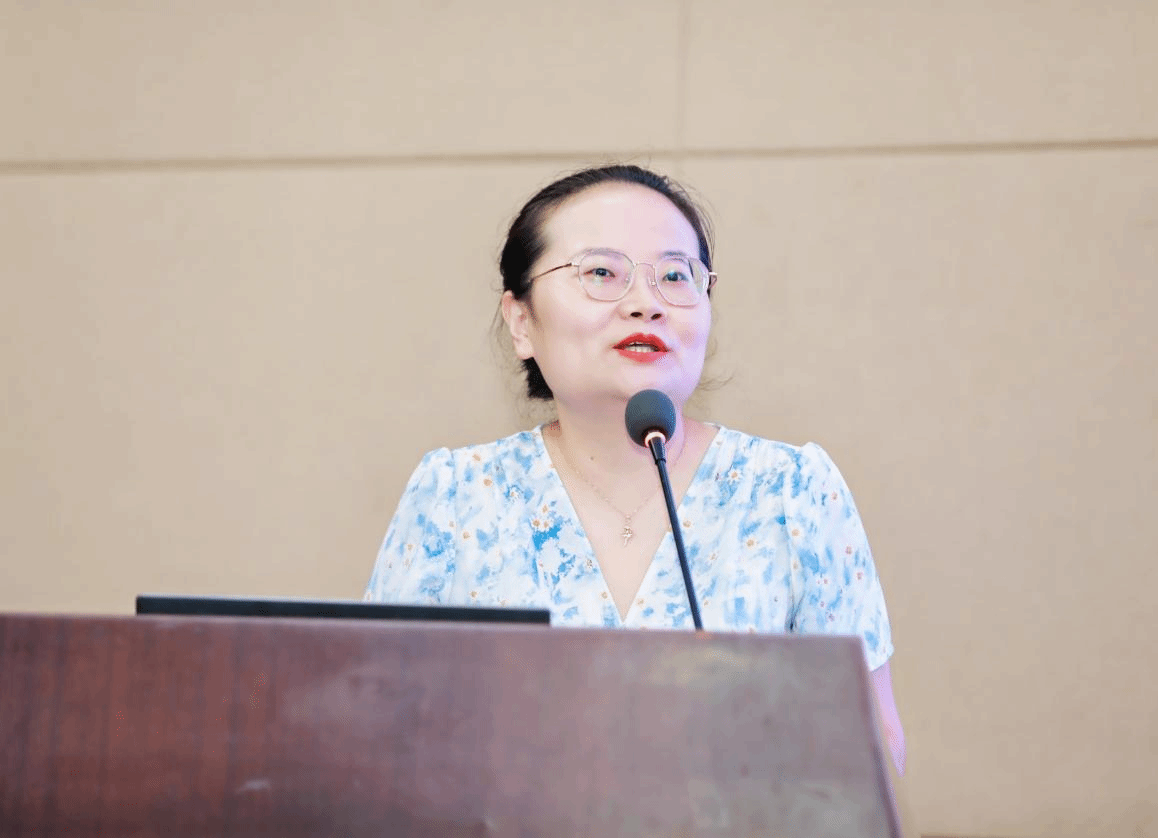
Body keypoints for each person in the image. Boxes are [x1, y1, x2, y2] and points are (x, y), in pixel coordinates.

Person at [363, 164, 906, 773]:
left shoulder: (792, 491)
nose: (646, 304)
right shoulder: (454, 496)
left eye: (675, 276)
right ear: (521, 321)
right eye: (601, 273)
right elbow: (381, 741)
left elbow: (874, 750)